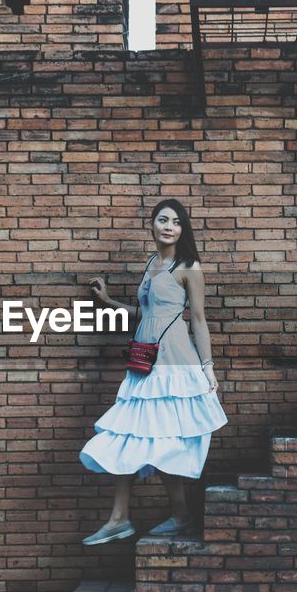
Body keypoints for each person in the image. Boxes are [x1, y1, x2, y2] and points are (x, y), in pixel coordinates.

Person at [80, 199, 228, 545]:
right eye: (163, 220)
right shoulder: (151, 263)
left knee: (160, 442)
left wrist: (209, 370)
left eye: (176, 222)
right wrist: (110, 302)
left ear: (182, 229)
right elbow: (147, 313)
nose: (169, 227)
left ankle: (176, 516)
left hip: (175, 367)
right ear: (152, 224)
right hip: (144, 368)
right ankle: (125, 518)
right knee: (131, 435)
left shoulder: (188, 266)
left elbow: (199, 319)